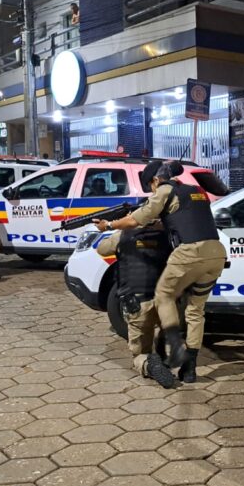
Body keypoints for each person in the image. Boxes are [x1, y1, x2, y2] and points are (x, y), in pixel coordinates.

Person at [94, 160, 229, 383]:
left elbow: (137, 219)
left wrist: (108, 226)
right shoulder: (196, 190)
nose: (152, 192)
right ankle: (189, 368)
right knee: (196, 312)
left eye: (151, 187)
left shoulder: (165, 190)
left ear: (156, 180)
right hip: (216, 252)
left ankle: (176, 348)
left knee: (163, 295)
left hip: (190, 252)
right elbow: (176, 220)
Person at [96, 218, 176, 389]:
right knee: (163, 330)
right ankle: (164, 358)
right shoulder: (166, 235)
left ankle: (148, 364)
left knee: (140, 352)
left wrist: (117, 226)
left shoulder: (123, 236)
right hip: (165, 300)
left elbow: (101, 249)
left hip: (137, 300)